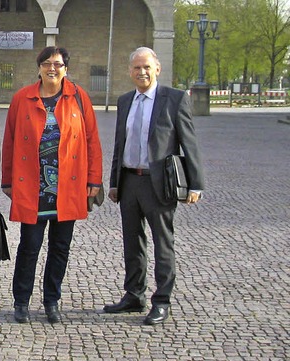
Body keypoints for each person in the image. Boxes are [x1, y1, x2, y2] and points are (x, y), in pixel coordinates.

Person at [1, 46, 103, 324]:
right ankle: (21, 301)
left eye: (58, 64)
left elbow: (92, 140)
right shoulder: (22, 98)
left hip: (67, 187)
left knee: (60, 247)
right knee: (29, 246)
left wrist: (94, 179)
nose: (52, 68)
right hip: (33, 187)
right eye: (47, 63)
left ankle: (51, 300)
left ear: (65, 69)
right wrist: (7, 179)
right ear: (39, 67)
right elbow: (9, 141)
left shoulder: (78, 97)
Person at [104, 47, 205, 325]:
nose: (142, 72)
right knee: (132, 242)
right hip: (129, 181)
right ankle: (134, 295)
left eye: (147, 67)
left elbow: (189, 143)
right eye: (136, 68)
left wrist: (195, 184)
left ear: (157, 69)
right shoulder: (125, 101)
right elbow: (119, 144)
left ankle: (161, 300)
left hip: (159, 183)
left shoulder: (173, 99)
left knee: (163, 243)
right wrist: (114, 182)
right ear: (129, 71)